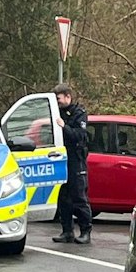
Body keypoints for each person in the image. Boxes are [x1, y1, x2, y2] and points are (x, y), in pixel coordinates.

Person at [52, 85, 92, 244]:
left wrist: (64, 126)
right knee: (63, 197)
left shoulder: (79, 114)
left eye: (59, 99)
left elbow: (79, 136)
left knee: (79, 197)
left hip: (76, 160)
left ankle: (85, 231)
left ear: (68, 96)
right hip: (61, 159)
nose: (58, 102)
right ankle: (67, 231)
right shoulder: (57, 113)